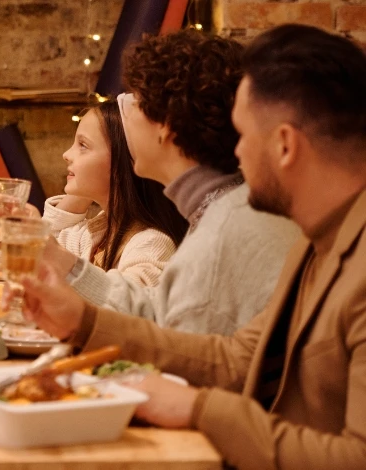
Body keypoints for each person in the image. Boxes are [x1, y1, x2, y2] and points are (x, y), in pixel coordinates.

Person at [20, 24, 366, 469]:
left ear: (284, 145)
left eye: (242, 136)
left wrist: (197, 408)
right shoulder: (318, 238)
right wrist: (82, 321)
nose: (233, 153)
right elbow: (238, 356)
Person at [39, 29, 299, 335]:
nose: (125, 116)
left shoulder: (225, 228)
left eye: (135, 105)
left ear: (166, 127)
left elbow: (178, 341)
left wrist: (63, 267)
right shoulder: (216, 210)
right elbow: (159, 311)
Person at [40, 99, 187, 287]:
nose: (67, 154)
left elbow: (126, 303)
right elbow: (50, 243)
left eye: (83, 145)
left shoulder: (152, 242)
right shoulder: (101, 231)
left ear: (121, 163)